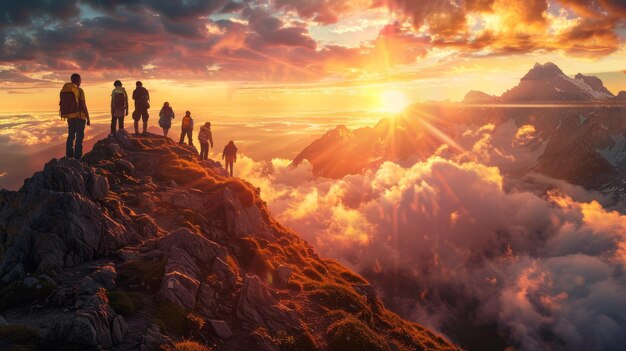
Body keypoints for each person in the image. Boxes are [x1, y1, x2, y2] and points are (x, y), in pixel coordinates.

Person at [59, 73, 90, 159]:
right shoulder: (80, 90)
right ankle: (78, 157)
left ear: (71, 80)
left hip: (70, 117)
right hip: (80, 118)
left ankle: (69, 156)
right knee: (79, 138)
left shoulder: (66, 89)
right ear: (79, 80)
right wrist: (88, 117)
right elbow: (83, 105)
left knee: (71, 136)